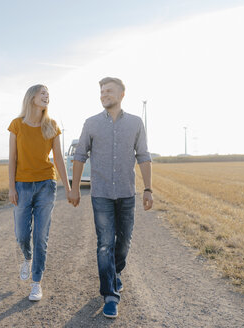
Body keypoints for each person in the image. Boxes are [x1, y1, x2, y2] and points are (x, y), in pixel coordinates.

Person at [68, 77, 153, 318]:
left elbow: (144, 156)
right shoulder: (91, 123)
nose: (104, 94)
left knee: (123, 243)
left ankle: (114, 272)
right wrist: (74, 188)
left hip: (127, 193)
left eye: (109, 91)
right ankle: (109, 294)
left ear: (122, 94)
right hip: (101, 194)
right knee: (105, 243)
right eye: (102, 91)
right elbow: (80, 156)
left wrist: (148, 189)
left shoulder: (136, 123)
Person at [8, 84, 71, 301]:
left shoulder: (51, 125)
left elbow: (59, 159)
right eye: (42, 93)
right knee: (22, 235)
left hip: (46, 184)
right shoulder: (17, 125)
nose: (46, 96)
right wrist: (11, 187)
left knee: (40, 236)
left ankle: (36, 282)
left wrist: (69, 187)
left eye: (48, 94)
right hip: (22, 185)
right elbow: (12, 159)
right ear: (31, 97)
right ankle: (27, 257)